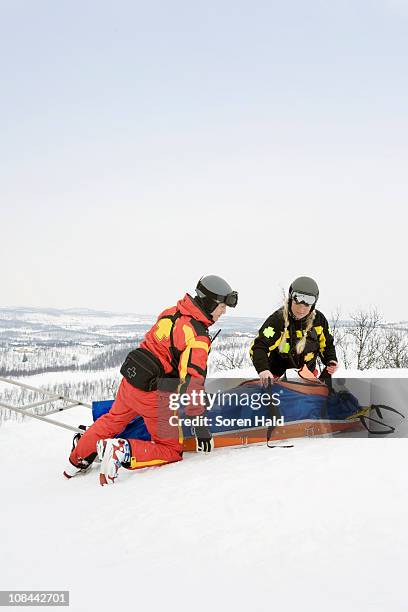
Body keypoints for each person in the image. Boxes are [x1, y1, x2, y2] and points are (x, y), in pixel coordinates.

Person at [64, 275, 238, 485]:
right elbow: (193, 382)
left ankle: (75, 461)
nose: (223, 311)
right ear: (209, 303)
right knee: (171, 449)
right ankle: (123, 451)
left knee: (113, 419)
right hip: (154, 395)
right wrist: (200, 427)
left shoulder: (170, 312)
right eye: (221, 306)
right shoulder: (197, 336)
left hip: (131, 381)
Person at [250, 276, 338, 386]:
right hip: (279, 379)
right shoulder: (277, 321)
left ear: (313, 304)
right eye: (297, 301)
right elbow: (259, 347)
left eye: (307, 304)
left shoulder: (319, 321)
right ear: (291, 298)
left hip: (307, 377)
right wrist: (263, 370)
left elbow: (327, 345)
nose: (301, 309)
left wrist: (331, 360)